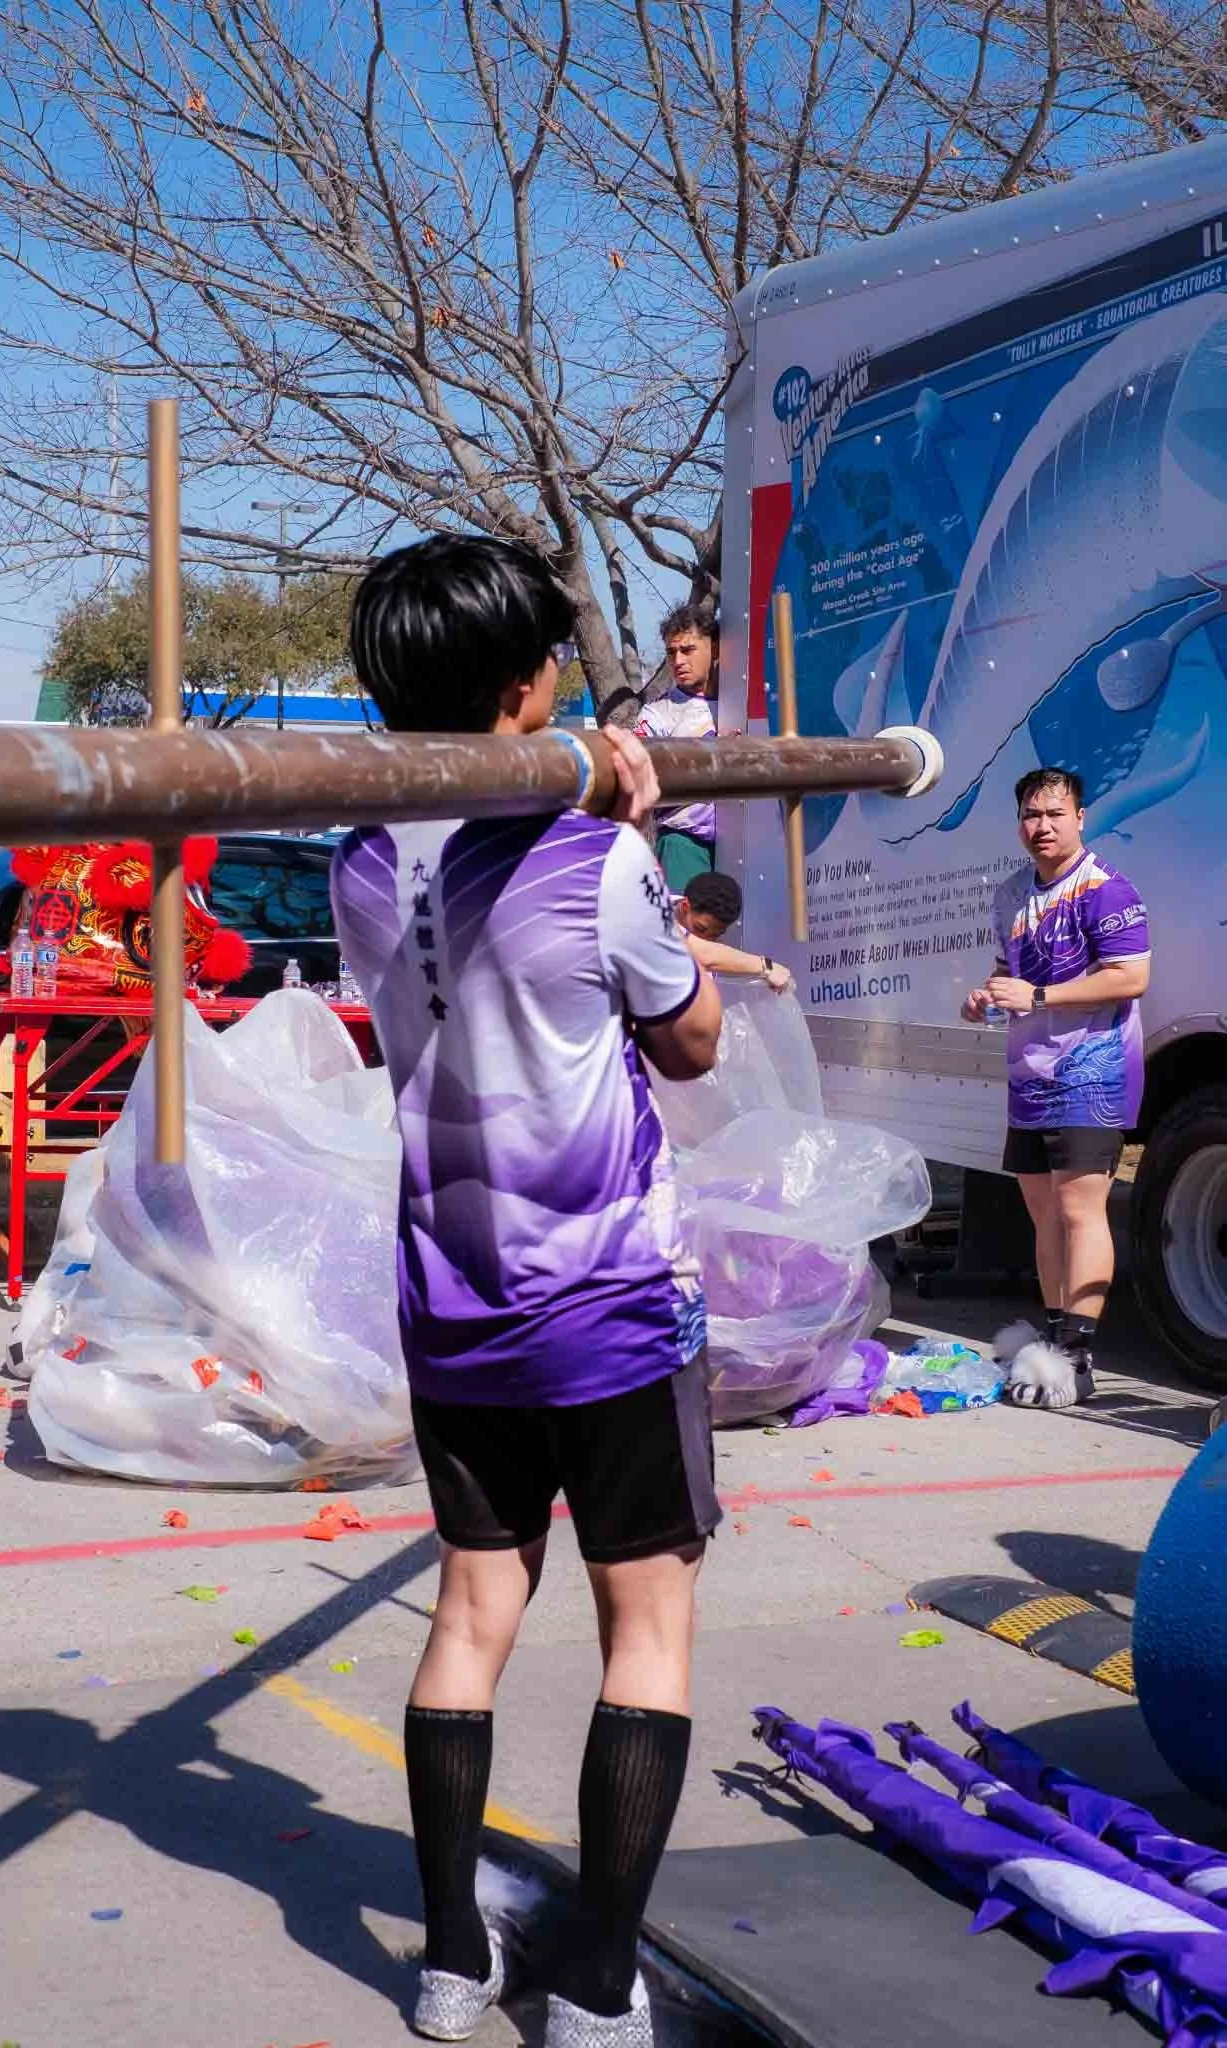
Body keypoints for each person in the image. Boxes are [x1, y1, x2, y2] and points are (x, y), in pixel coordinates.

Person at [331, 534, 724, 2048]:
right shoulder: (594, 856)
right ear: (519, 686)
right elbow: (687, 1045)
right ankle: (599, 1994)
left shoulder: (358, 854)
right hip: (607, 1299)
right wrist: (639, 834)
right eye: (551, 660)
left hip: (452, 1296)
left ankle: (447, 1965)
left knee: (473, 1607)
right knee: (649, 1627)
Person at [962, 767, 1150, 1408]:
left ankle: (1078, 1352)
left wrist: (1039, 994)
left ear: (1080, 818)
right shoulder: (1012, 892)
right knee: (1041, 1213)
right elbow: (1003, 975)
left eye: (1054, 814)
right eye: (1031, 816)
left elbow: (1130, 977)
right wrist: (986, 1001)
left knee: (1079, 1212)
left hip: (1092, 1073)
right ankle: (1048, 1339)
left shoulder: (1105, 888)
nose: (1041, 826)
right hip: (1029, 1077)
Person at [634, 599, 719, 893]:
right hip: (684, 845)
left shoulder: (743, 704)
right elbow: (642, 784)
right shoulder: (657, 715)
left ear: (716, 648)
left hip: (747, 844)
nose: (678, 661)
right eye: (671, 653)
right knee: (683, 936)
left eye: (688, 650)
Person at [674, 870, 793, 992]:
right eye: (700, 928)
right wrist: (766, 966)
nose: (705, 940)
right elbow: (703, 954)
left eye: (715, 936)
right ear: (685, 907)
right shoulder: (658, 916)